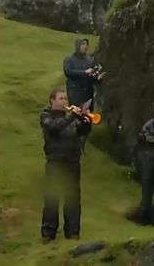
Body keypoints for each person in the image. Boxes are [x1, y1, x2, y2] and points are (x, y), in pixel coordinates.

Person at [40, 88, 92, 242]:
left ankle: (73, 232)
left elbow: (81, 132)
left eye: (65, 99)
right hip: (55, 161)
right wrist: (72, 116)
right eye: (61, 99)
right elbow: (55, 128)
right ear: (52, 100)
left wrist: (85, 120)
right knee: (52, 198)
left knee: (73, 198)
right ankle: (48, 233)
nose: (64, 102)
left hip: (72, 161)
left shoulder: (70, 117)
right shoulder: (46, 116)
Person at [63, 38, 104, 110]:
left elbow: (91, 76)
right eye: (83, 44)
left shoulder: (90, 60)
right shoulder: (69, 59)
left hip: (88, 92)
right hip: (75, 92)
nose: (85, 46)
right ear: (77, 45)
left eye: (86, 44)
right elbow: (68, 72)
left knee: (88, 116)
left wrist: (97, 79)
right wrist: (84, 72)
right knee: (76, 114)